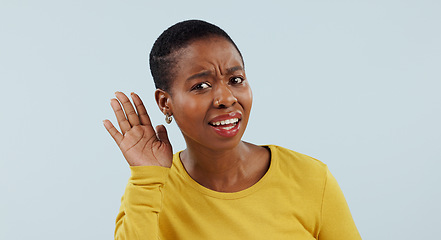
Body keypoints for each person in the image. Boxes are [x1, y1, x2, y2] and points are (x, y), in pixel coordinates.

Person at [103, 20, 361, 240]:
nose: (225, 98)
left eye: (235, 80)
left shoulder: (311, 178)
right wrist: (146, 178)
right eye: (201, 86)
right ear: (165, 103)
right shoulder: (150, 189)